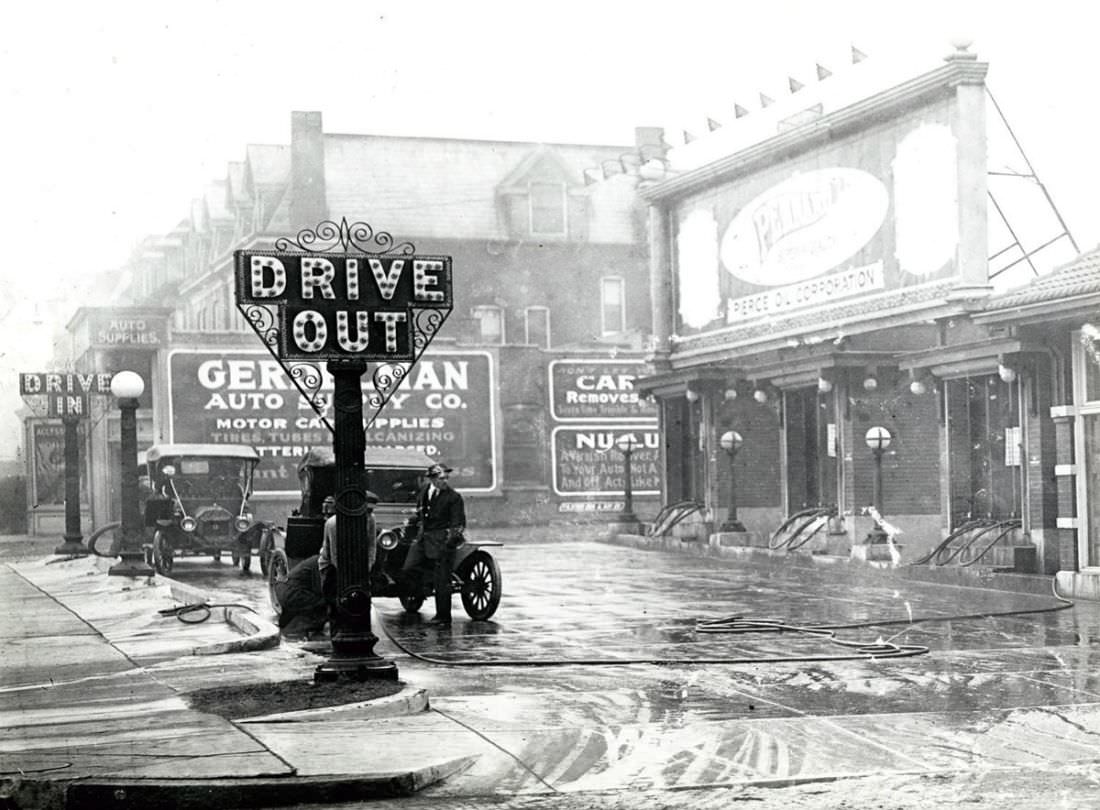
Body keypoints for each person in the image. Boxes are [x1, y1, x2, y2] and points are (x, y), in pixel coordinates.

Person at [402, 463, 466, 625]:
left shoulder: (454, 497)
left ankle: (443, 617)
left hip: (442, 542)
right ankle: (423, 588)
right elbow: (421, 512)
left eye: (446, 478)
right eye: (441, 478)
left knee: (442, 580)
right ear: (431, 479)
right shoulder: (424, 491)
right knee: (408, 568)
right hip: (423, 538)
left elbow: (458, 524)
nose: (444, 481)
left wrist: (449, 544)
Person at [318, 493, 377, 607]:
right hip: (331, 566)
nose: (368, 515)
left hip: (357, 563)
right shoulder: (333, 524)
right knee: (335, 599)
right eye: (366, 511)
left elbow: (371, 546)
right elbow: (334, 556)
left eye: (370, 511)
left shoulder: (371, 519)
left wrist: (368, 567)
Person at [273, 554, 327, 638]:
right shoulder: (320, 562)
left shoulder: (316, 561)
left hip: (286, 591)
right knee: (326, 603)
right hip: (291, 594)